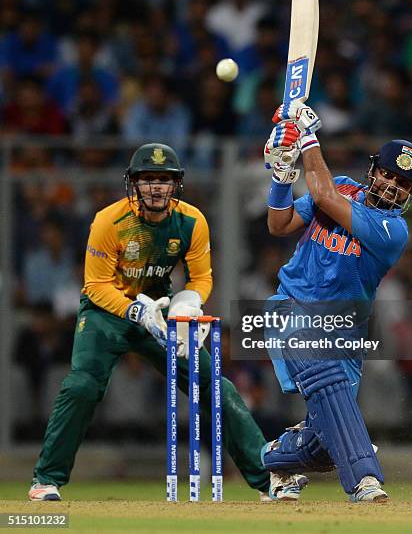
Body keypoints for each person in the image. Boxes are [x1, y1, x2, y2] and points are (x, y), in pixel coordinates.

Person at [28, 142, 270, 501]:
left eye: (164, 179)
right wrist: (133, 312)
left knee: (215, 386)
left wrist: (188, 303)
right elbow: (95, 285)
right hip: (107, 311)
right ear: (133, 183)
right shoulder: (109, 221)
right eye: (147, 179)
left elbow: (201, 278)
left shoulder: (191, 220)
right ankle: (46, 479)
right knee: (82, 386)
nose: (156, 187)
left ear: (176, 185)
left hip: (160, 308)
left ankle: (268, 479)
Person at [260, 100, 412, 502]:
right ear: (373, 171)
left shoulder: (393, 230)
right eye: (388, 174)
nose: (392, 186)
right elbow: (278, 223)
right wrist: (282, 176)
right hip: (292, 309)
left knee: (324, 441)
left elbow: (323, 194)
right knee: (324, 378)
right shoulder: (345, 187)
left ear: (411, 193)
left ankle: (277, 459)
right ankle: (365, 479)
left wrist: (307, 139)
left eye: (403, 183)